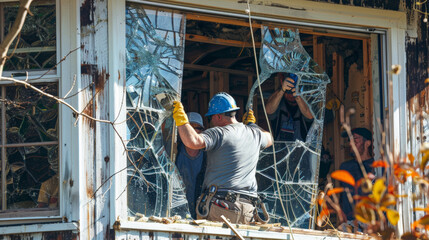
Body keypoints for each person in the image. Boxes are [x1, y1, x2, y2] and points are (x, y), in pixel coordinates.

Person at [172, 92, 273, 224]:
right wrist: (252, 125)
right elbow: (270, 138)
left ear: (218, 116)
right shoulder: (255, 134)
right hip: (248, 210)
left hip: (221, 207)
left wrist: (181, 119)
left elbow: (193, 141)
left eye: (211, 118)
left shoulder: (219, 133)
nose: (211, 122)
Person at [338, 127, 374, 229]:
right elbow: (339, 197)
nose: (350, 143)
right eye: (349, 140)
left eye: (355, 139)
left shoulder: (376, 167)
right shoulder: (345, 167)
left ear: (367, 143)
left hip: (370, 226)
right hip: (349, 225)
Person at [175, 112, 206, 219]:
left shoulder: (209, 157)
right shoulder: (174, 154)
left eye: (195, 128)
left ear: (202, 131)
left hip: (201, 213)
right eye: (188, 127)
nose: (191, 132)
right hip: (178, 213)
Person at [266, 72, 313, 141]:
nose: (291, 96)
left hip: (301, 149)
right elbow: (268, 110)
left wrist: (297, 96)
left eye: (292, 92)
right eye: (288, 92)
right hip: (280, 149)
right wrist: (282, 90)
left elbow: (310, 116)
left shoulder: (304, 103)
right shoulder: (279, 102)